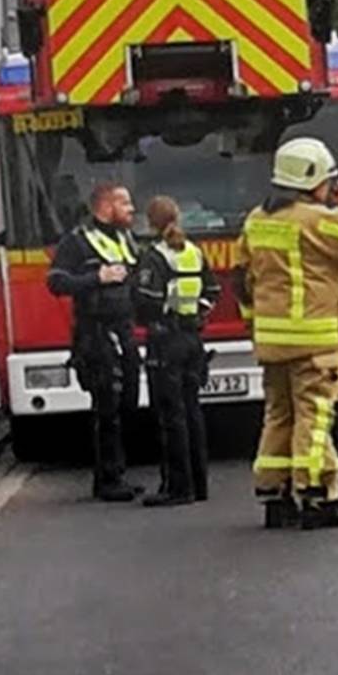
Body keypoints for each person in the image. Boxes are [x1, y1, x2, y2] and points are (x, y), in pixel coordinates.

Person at [239, 137, 338, 530]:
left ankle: (274, 494)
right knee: (316, 417)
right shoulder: (320, 220)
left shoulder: (257, 220)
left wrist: (255, 322)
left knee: (278, 416)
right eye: (329, 181)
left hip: (272, 341)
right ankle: (317, 498)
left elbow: (242, 279)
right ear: (314, 179)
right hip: (315, 342)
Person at [47, 183, 142, 502]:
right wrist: (96, 279)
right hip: (96, 334)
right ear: (105, 206)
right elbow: (56, 282)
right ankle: (107, 480)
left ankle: (119, 472)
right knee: (107, 408)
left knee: (128, 401)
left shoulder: (125, 238)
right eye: (124, 203)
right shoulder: (77, 241)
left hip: (124, 331)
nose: (132, 209)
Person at [133, 195, 219, 508]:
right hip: (193, 340)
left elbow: (145, 299)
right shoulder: (194, 253)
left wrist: (152, 315)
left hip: (165, 341)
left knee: (171, 417)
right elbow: (213, 290)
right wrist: (197, 313)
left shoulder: (154, 257)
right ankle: (199, 484)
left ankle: (177, 487)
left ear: (151, 222)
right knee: (193, 412)